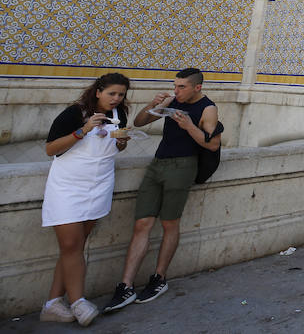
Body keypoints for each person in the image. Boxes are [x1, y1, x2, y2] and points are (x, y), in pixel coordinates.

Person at [103, 68, 220, 313]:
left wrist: (189, 125)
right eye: (175, 86)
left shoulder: (208, 109)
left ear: (197, 87)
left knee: (169, 223)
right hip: (158, 163)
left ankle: (159, 278)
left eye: (182, 87)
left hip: (183, 165)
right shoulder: (174, 100)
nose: (176, 91)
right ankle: (125, 285)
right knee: (142, 222)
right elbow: (140, 122)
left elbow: (212, 144)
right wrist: (152, 104)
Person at [40, 73, 131, 325]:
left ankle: (52, 304)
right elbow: (51, 149)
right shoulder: (74, 113)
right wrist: (84, 130)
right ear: (98, 91)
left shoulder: (119, 115)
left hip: (98, 185)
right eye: (112, 93)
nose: (116, 99)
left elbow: (116, 148)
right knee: (70, 246)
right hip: (68, 188)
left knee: (75, 248)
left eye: (121, 94)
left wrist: (122, 142)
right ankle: (78, 302)